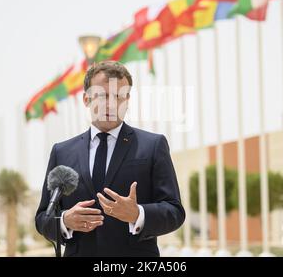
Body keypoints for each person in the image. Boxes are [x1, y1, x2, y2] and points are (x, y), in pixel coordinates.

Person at [35, 61, 185, 257]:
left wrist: (137, 214)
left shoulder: (153, 146)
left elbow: (175, 211)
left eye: (119, 96)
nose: (111, 103)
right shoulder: (62, 152)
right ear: (86, 99)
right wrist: (65, 221)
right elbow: (42, 218)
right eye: (103, 95)